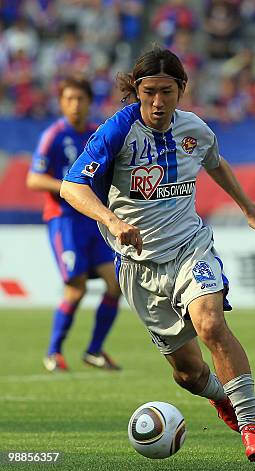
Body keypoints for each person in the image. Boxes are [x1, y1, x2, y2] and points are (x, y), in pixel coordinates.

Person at [60, 47, 255, 462]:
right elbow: (71, 186)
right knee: (188, 372)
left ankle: (252, 428)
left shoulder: (193, 129)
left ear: (181, 89)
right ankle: (222, 398)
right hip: (138, 266)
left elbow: (215, 162)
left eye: (166, 92)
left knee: (211, 325)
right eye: (148, 94)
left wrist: (249, 209)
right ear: (136, 92)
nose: (158, 103)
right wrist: (112, 221)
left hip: (188, 248)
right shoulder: (117, 131)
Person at [27, 76, 122, 372]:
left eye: (80, 99)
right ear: (61, 103)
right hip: (65, 220)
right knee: (76, 288)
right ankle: (53, 352)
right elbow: (33, 179)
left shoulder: (99, 134)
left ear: (89, 102)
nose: (75, 105)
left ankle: (94, 351)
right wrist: (71, 186)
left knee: (115, 284)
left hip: (94, 219)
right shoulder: (54, 135)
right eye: (69, 99)